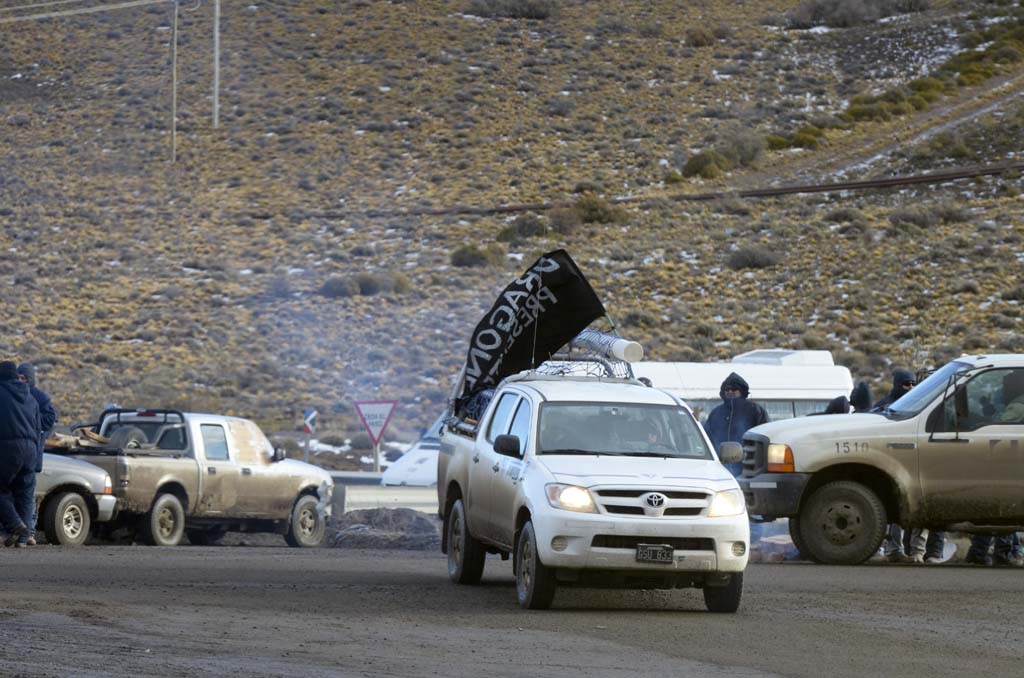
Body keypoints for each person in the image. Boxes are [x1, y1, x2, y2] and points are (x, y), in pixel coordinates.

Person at [0, 360, 41, 548]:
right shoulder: (31, 397)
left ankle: (17, 526)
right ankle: (23, 539)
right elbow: (39, 427)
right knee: (24, 493)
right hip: (31, 450)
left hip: (7, 448)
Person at [16, 362, 58, 547]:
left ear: (30, 379)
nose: (20, 380)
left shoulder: (40, 397)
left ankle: (30, 532)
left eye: (23, 377)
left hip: (31, 453)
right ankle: (18, 532)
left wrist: (30, 421)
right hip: (22, 453)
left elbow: (50, 420)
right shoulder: (14, 393)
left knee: (28, 496)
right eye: (18, 377)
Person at [704, 372, 768, 476]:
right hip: (720, 467)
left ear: (741, 391)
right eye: (727, 389)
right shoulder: (717, 412)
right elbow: (707, 435)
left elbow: (764, 434)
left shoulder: (754, 410)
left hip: (749, 466)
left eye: (734, 389)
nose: (730, 391)